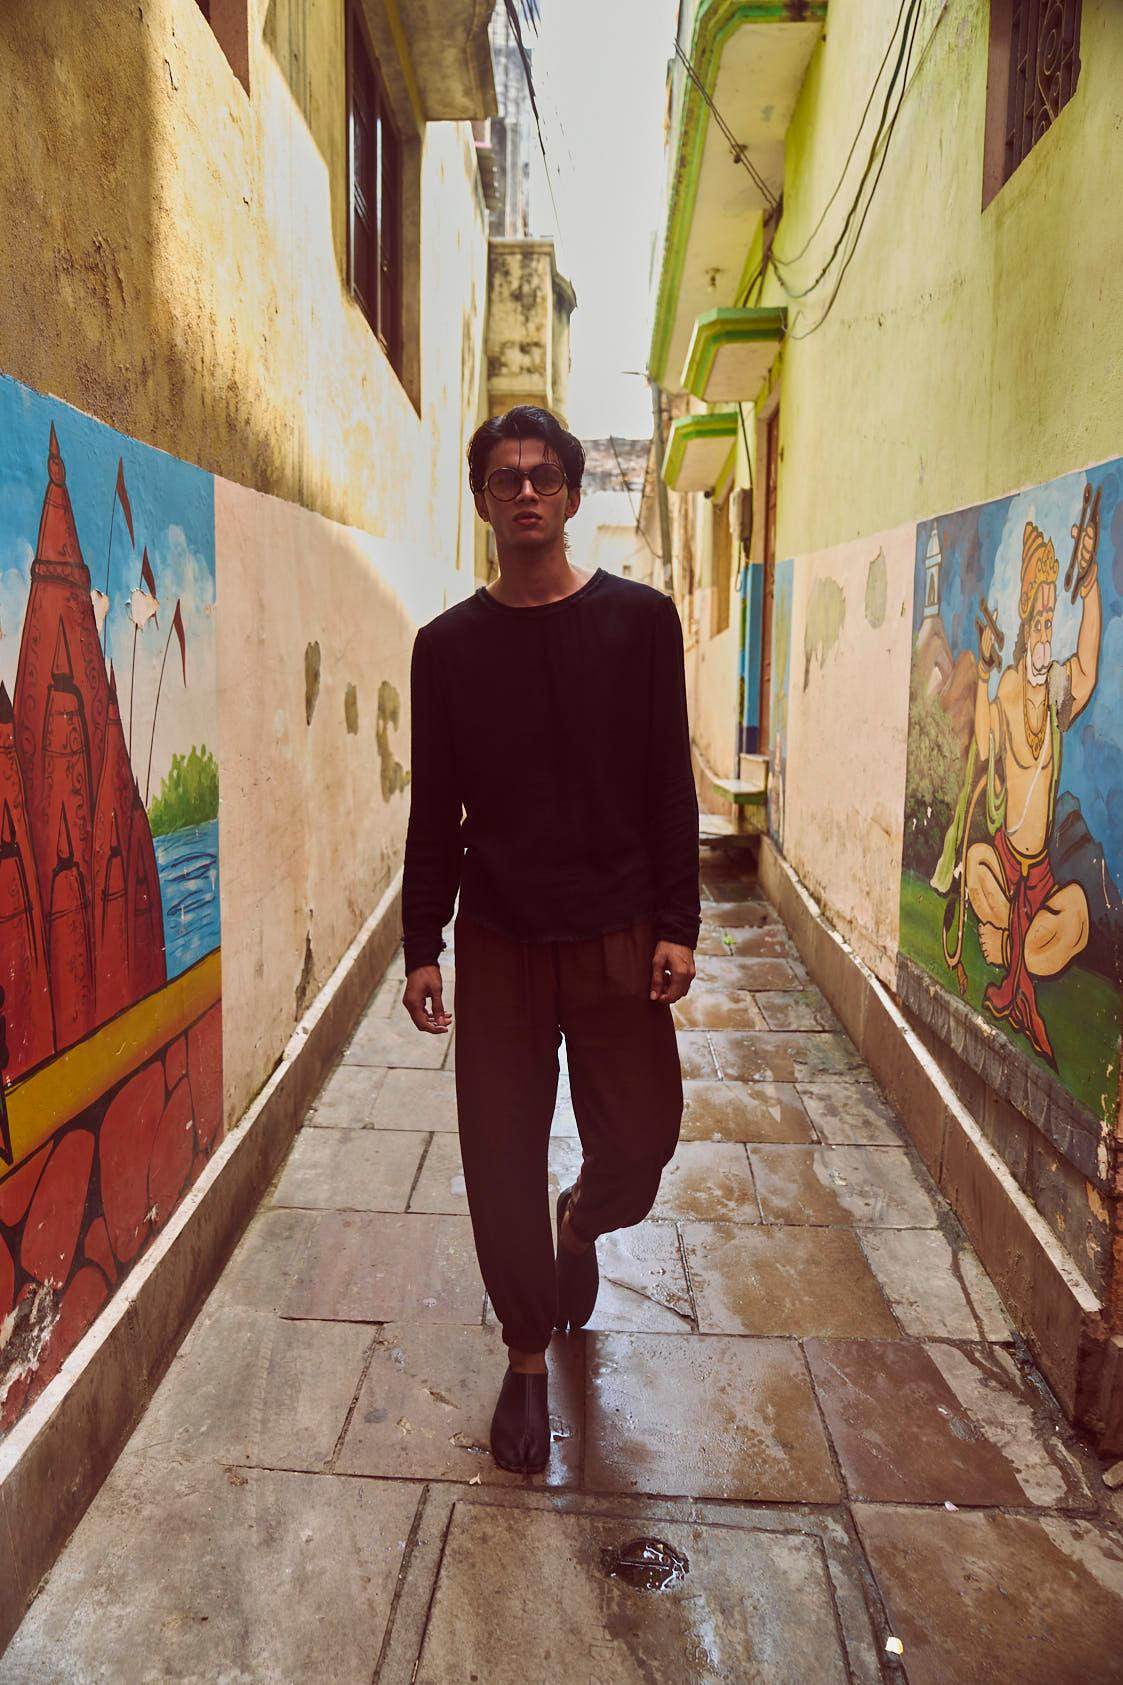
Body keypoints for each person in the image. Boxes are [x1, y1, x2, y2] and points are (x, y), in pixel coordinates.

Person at [401, 405, 699, 1474]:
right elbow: (434, 807)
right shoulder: (447, 648)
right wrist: (421, 942)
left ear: (572, 494)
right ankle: (525, 1355)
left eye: (543, 475)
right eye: (504, 477)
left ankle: (581, 1222)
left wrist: (679, 922)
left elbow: (669, 780)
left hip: (619, 928)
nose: (524, 491)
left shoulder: (640, 622)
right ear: (482, 501)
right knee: (497, 1152)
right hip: (500, 938)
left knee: (643, 1140)